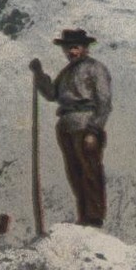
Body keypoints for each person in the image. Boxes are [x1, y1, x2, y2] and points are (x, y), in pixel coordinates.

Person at [29, 28, 113, 227]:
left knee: (90, 171)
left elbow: (104, 101)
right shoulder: (67, 72)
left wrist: (94, 130)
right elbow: (52, 94)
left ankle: (94, 217)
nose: (71, 52)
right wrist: (39, 74)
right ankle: (84, 216)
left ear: (84, 48)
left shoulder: (95, 69)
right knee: (75, 173)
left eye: (75, 47)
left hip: (86, 125)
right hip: (66, 126)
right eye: (68, 48)